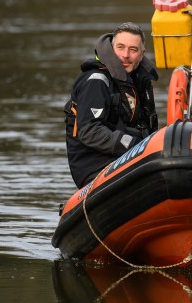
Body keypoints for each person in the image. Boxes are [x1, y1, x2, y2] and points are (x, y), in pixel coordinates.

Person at [64, 22, 158, 188]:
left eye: (133, 50)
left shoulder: (140, 84)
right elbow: (90, 131)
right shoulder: (95, 81)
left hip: (127, 159)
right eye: (120, 47)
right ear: (112, 48)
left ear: (141, 55)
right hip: (96, 167)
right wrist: (135, 145)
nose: (125, 55)